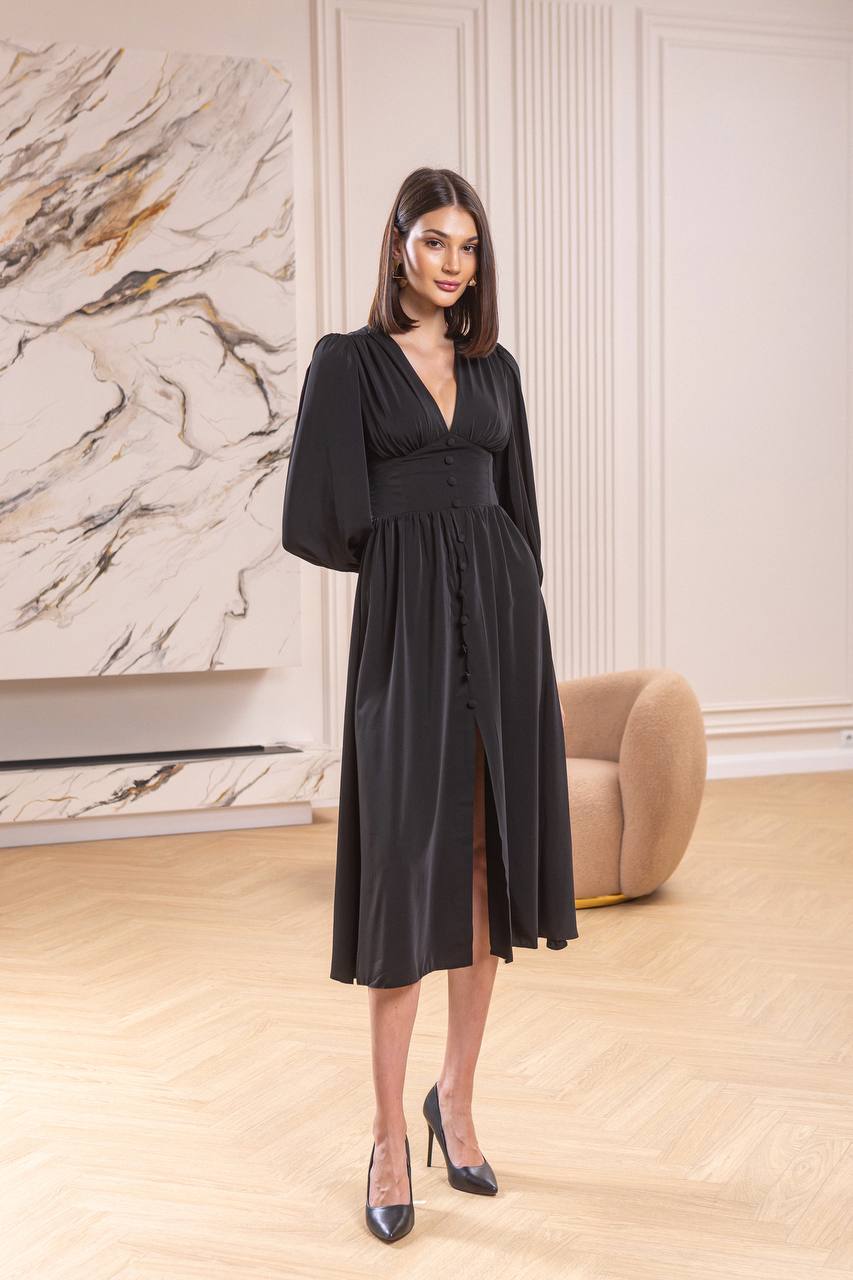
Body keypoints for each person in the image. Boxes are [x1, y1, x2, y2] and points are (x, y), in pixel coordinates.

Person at [281, 167, 578, 1242]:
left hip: (501, 623)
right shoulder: (348, 363)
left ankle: (454, 1097)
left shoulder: (495, 367)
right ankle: (386, 1134)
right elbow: (318, 515)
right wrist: (405, 555)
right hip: (406, 627)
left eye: (469, 248)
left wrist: (496, 586)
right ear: (398, 243)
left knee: (485, 863)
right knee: (410, 871)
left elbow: (521, 509)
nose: (453, 264)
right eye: (435, 242)